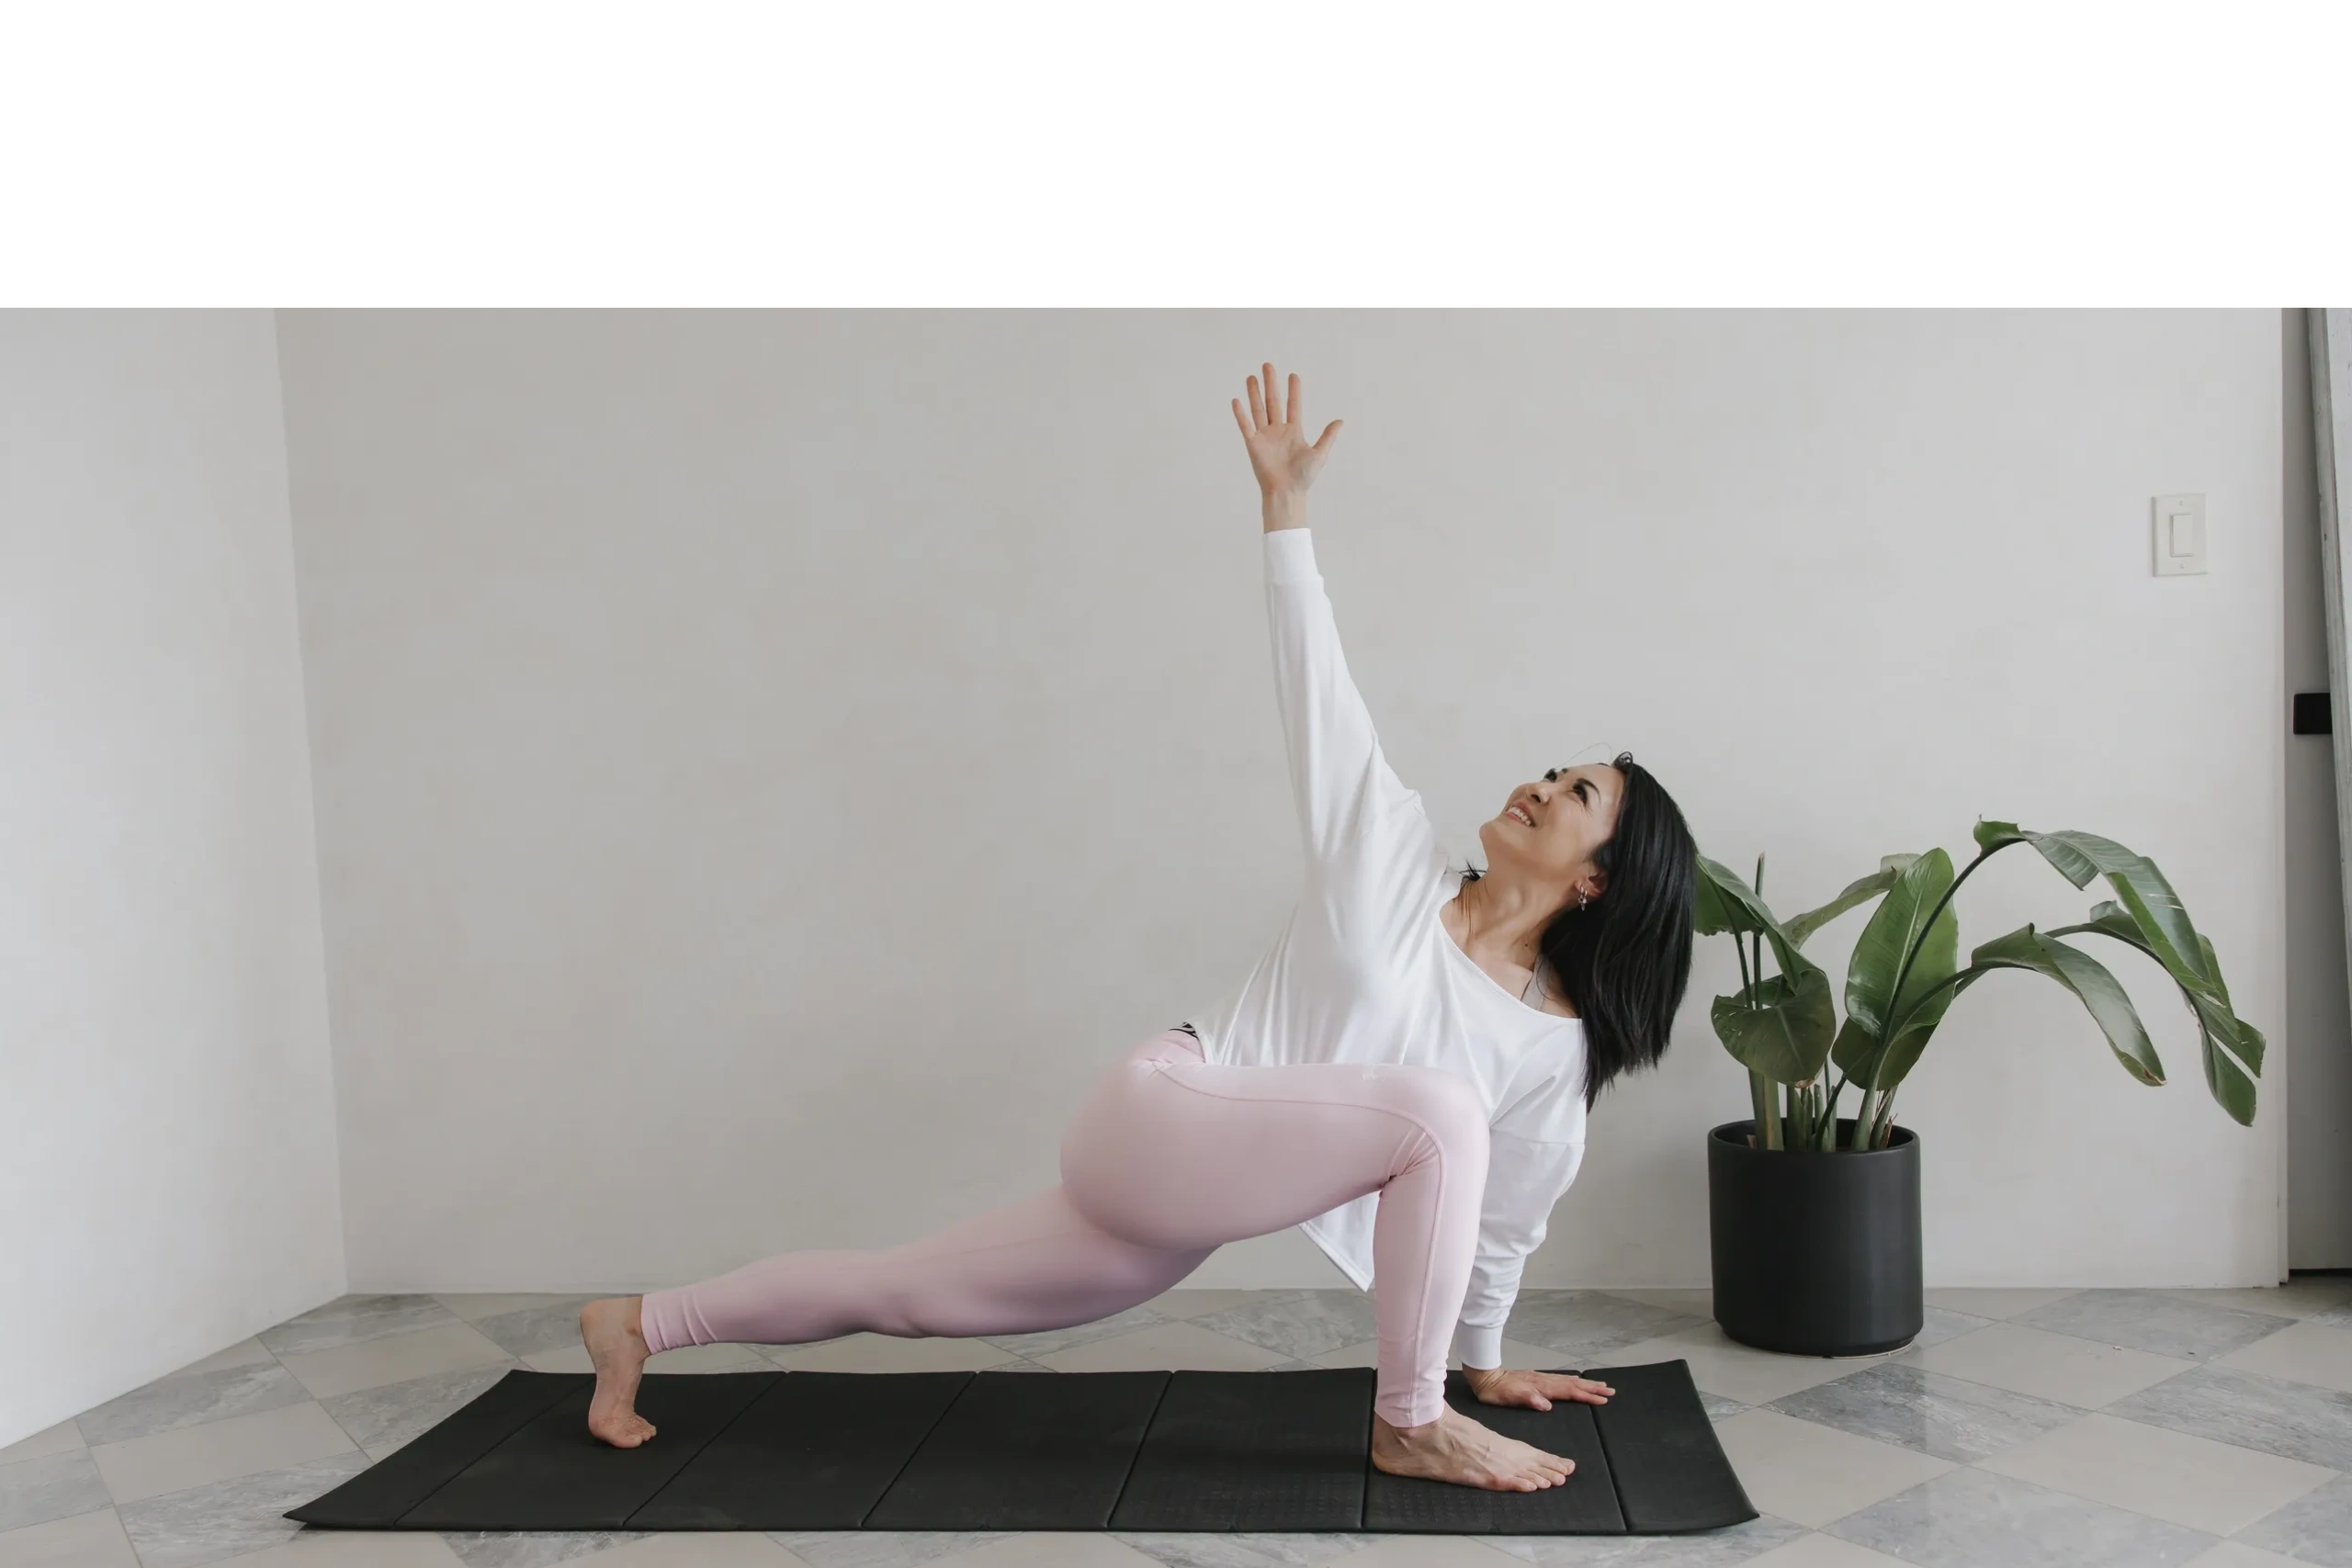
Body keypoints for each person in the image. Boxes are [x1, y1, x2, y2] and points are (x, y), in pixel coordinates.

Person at [574, 364, 1700, 1494]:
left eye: (1577, 796)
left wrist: (1490, 1366)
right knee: (1438, 1113)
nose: (1541, 787)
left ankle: (638, 1323)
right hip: (1157, 1113)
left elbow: (1504, 1215)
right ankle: (1406, 1422)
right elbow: (1316, 681)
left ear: (1603, 881)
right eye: (1552, 771)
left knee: (906, 1291)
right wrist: (1285, 509)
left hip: (1181, 1213)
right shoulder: (1388, 854)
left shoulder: (1548, 1042)